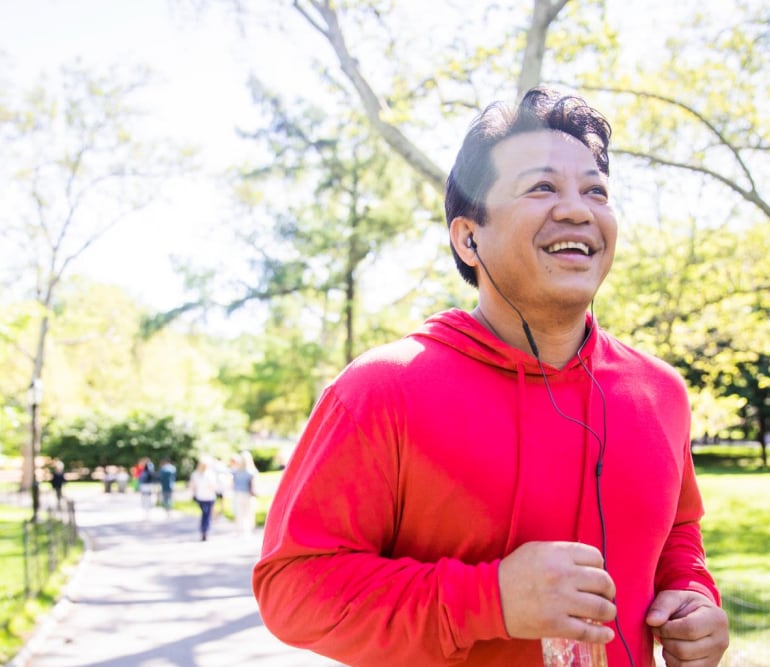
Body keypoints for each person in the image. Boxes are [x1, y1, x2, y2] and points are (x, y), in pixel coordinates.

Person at [253, 87, 729, 667]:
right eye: (542, 187)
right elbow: (293, 589)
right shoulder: (381, 390)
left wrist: (693, 599)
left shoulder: (662, 393)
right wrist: (490, 599)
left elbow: (678, 532)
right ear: (468, 236)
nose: (579, 209)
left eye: (596, 191)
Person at [189, 455, 219, 541]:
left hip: (201, 496)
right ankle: (205, 529)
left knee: (205, 514)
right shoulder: (210, 474)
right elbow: (213, 486)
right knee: (207, 514)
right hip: (209, 497)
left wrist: (193, 494)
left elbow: (192, 486)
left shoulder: (195, 474)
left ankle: (204, 529)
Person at [230, 450, 258, 538]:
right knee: (248, 512)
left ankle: (239, 531)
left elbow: (232, 483)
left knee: (239, 512)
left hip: (238, 494)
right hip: (248, 494)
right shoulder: (252, 471)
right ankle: (247, 531)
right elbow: (253, 486)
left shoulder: (236, 471)